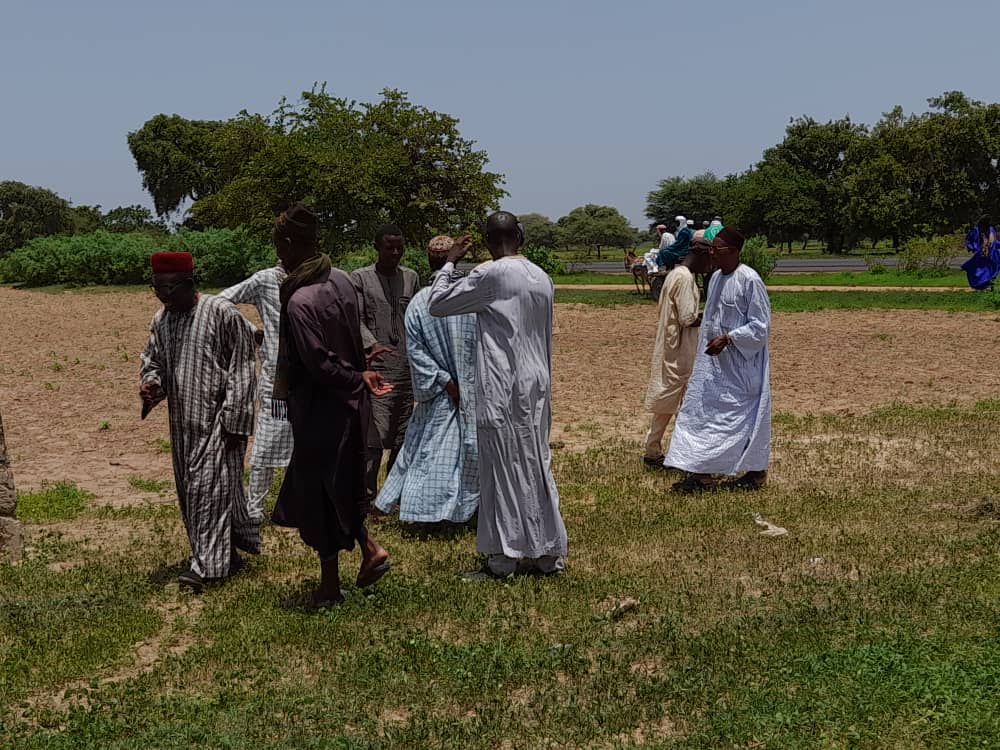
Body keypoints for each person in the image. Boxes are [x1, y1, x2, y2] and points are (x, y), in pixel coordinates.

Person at [428, 211, 568, 577]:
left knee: (501, 470)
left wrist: (450, 262)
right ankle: (546, 553)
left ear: (489, 242)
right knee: (536, 464)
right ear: (520, 237)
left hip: (503, 385)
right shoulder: (541, 275)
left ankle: (503, 559)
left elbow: (437, 304)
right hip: (536, 382)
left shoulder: (489, 274)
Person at [269, 204, 392, 606]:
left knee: (319, 492)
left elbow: (318, 361)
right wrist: (358, 377)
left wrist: (356, 376)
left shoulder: (299, 300)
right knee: (344, 483)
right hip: (350, 404)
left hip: (320, 406)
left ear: (290, 244)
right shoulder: (341, 280)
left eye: (279, 247)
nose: (278, 258)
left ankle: (332, 584)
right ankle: (364, 552)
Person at [139, 251, 259, 591]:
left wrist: (235, 421)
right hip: (182, 425)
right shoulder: (161, 320)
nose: (163, 295)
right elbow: (153, 361)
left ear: (190, 283)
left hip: (219, 422)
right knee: (193, 494)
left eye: (170, 288)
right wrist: (151, 385)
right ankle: (224, 555)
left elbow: (242, 367)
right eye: (157, 289)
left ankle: (207, 568)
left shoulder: (220, 312)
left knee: (211, 493)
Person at [375, 236, 479, 524]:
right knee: (469, 452)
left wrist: (445, 382)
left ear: (429, 260)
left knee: (425, 453)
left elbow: (417, 354)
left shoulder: (420, 301)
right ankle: (466, 510)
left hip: (441, 393)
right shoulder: (473, 296)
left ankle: (422, 510)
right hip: (472, 392)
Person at [664, 227, 771, 492]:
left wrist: (730, 338)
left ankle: (755, 472)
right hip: (714, 366)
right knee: (707, 416)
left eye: (717, 249)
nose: (711, 254)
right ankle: (703, 473)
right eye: (711, 248)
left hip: (742, 368)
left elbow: (761, 326)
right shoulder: (715, 280)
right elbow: (711, 318)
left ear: (734, 252)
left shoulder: (750, 280)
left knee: (742, 420)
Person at [351, 226, 421, 508]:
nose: (394, 253)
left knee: (404, 432)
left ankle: (392, 495)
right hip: (376, 368)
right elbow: (354, 318)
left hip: (406, 367)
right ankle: (366, 497)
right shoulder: (361, 278)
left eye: (398, 248)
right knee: (374, 436)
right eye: (389, 247)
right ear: (376, 247)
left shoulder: (411, 278)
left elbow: (417, 318)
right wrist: (370, 346)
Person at [219, 262, 293, 527]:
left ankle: (296, 505)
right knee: (266, 443)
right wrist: (252, 331)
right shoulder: (265, 280)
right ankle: (254, 509)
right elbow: (223, 301)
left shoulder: (311, 276)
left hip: (309, 372)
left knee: (305, 443)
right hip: (277, 372)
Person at [642, 239, 713, 466]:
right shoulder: (685, 279)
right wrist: (711, 320)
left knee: (668, 402)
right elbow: (688, 318)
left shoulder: (674, 273)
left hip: (671, 345)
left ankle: (653, 449)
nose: (710, 267)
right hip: (681, 349)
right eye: (709, 261)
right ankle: (674, 451)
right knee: (681, 401)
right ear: (701, 256)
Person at [961, 215, 1000, 290]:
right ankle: (984, 285)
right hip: (982, 254)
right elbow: (972, 240)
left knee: (990, 270)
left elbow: (993, 241)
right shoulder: (977, 230)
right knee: (979, 271)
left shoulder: (991, 229)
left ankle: (989, 285)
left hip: (990, 254)